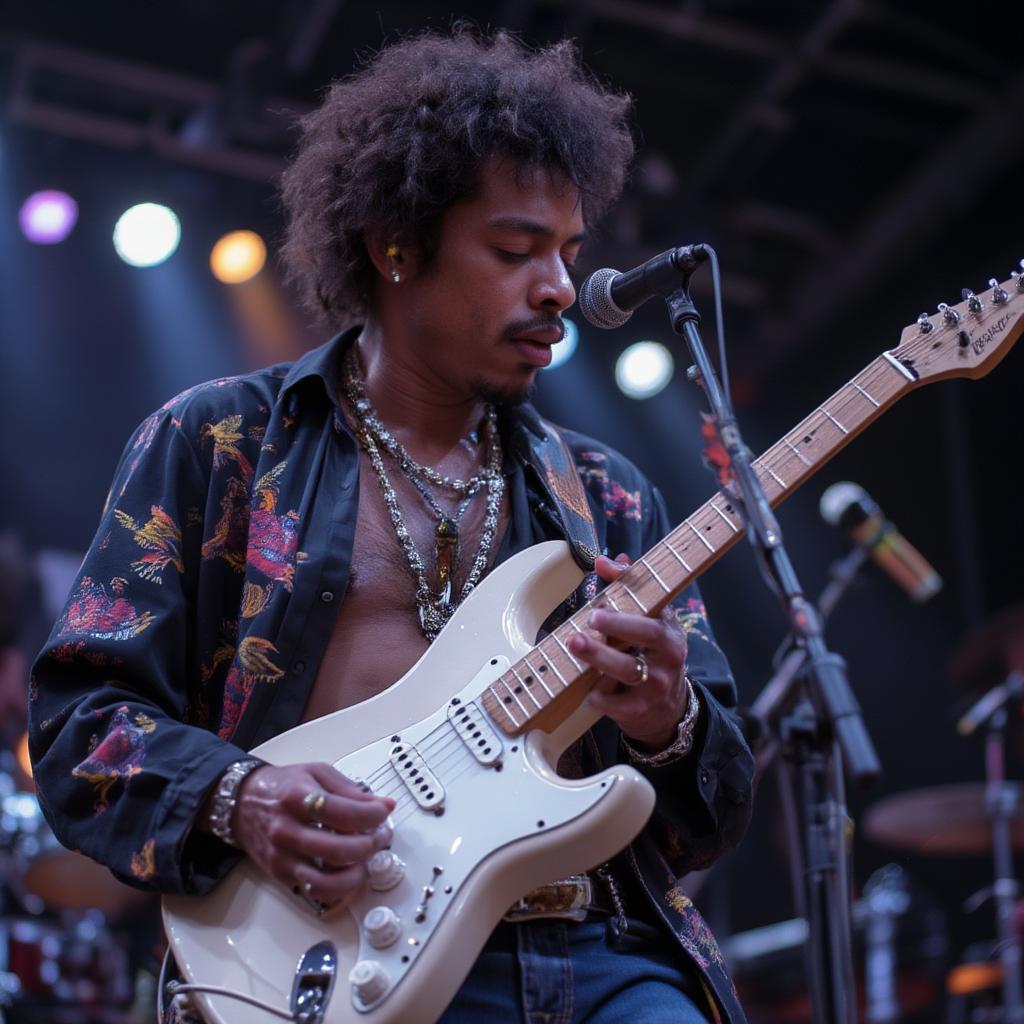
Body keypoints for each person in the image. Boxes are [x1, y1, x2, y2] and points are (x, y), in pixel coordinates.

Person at [29, 30, 755, 1023]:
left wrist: (666, 719)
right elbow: (80, 731)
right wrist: (237, 796)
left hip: (592, 952)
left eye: (567, 253)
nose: (555, 287)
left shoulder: (606, 491)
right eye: (513, 249)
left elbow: (711, 815)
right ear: (395, 245)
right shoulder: (222, 444)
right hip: (330, 962)